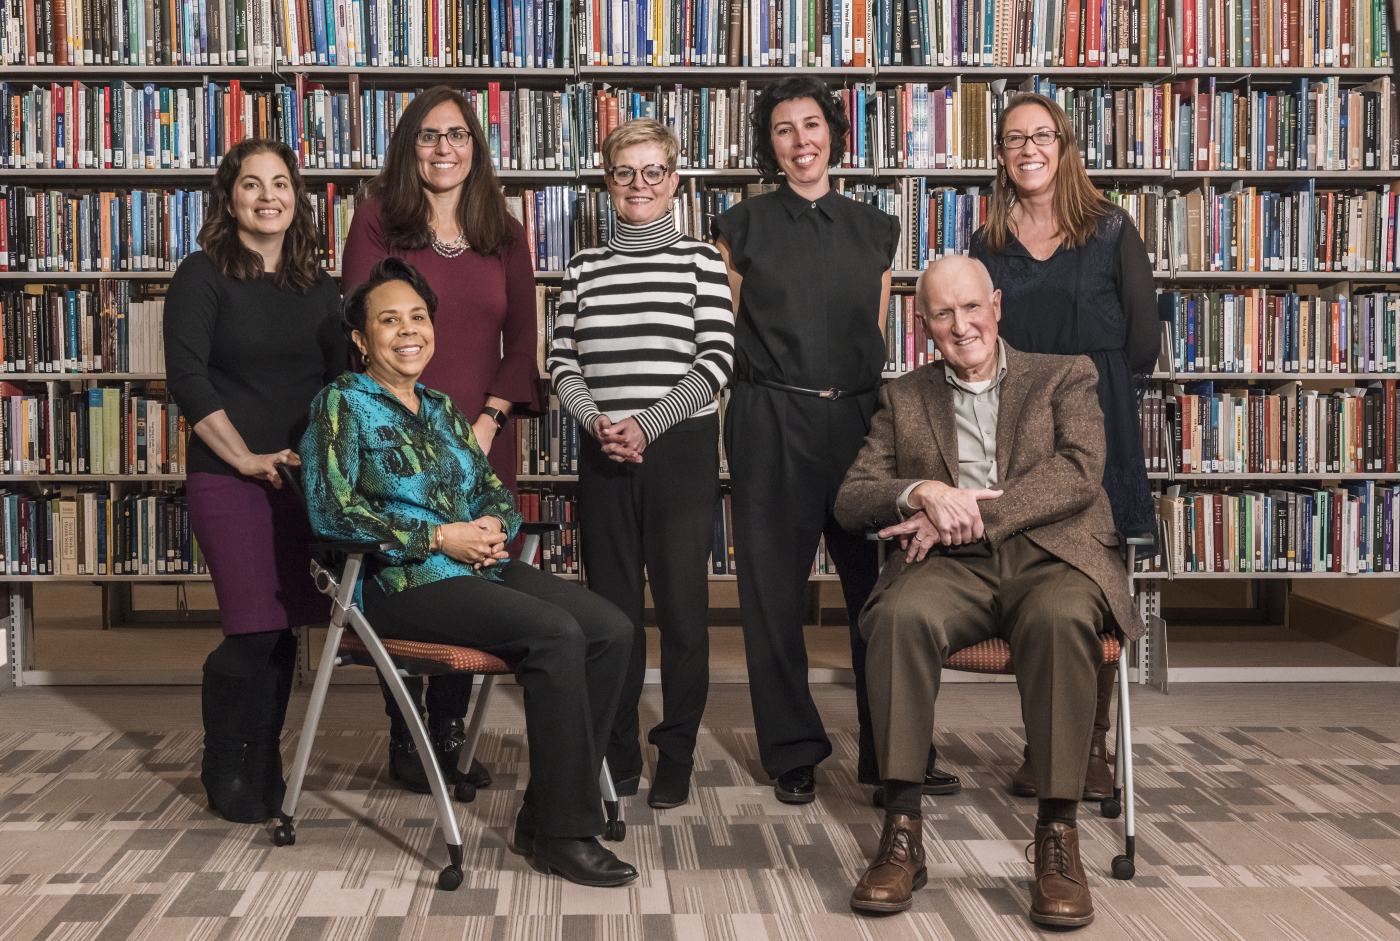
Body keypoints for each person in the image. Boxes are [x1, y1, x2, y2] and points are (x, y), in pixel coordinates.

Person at [301, 257, 636, 887]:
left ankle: (544, 811)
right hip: (397, 584)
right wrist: (437, 535)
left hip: (474, 568)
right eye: (389, 320)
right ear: (360, 338)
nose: (408, 330)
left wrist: (489, 531)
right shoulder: (341, 404)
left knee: (610, 628)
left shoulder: (442, 407)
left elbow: (494, 493)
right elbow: (332, 511)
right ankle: (567, 832)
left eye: (418, 317)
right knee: (555, 634)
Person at [834, 254, 1145, 925]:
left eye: (971, 307)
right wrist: (921, 491)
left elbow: (1079, 472)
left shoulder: (1064, 375)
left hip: (1051, 554)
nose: (961, 324)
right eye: (942, 313)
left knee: (1065, 621)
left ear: (996, 305)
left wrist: (968, 508)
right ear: (922, 324)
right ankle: (903, 829)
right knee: (897, 615)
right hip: (949, 566)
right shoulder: (904, 395)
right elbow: (853, 497)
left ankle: (1058, 837)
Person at [711, 75, 958, 805]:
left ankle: (895, 750)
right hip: (768, 419)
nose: (800, 140)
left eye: (811, 124)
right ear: (772, 146)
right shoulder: (740, 227)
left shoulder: (876, 228)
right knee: (771, 594)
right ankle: (792, 748)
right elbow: (727, 331)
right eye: (784, 129)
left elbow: (872, 334)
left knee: (882, 593)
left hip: (859, 423)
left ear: (834, 134)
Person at [341, 85, 541, 798]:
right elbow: (363, 324)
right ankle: (407, 732)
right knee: (406, 567)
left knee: (473, 570)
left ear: (475, 147)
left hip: (482, 437)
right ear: (409, 147)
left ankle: (450, 731)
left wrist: (484, 424)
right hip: (396, 437)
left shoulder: (507, 232)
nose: (444, 148)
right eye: (428, 136)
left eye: (457, 135)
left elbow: (523, 338)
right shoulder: (376, 223)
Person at [969, 92, 1158, 804]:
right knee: (1034, 572)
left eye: (1041, 135)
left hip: (1099, 421)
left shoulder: (1110, 229)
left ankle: (1091, 744)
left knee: (1094, 574)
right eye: (1014, 138)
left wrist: (1086, 391)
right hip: (1015, 429)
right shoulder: (988, 240)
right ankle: (1043, 740)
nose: (1028, 149)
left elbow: (1142, 340)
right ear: (1000, 153)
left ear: (1065, 144)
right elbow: (974, 339)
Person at [547, 119, 735, 809]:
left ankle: (677, 751)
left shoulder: (700, 262)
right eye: (625, 172)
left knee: (683, 611)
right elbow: (561, 361)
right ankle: (618, 753)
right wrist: (596, 419)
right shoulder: (584, 267)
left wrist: (647, 424)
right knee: (613, 612)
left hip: (678, 450)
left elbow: (716, 359)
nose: (639, 185)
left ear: (675, 181)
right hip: (603, 453)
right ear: (606, 182)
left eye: (653, 171)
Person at [164, 138, 346, 824]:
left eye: (280, 183)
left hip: (300, 482)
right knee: (250, 627)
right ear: (229, 197)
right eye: (252, 184)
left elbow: (336, 387)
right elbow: (188, 375)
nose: (268, 195)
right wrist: (243, 456)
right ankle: (225, 755)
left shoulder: (319, 285)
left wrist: (320, 465)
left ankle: (263, 758)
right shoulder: (202, 274)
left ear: (297, 198)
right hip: (230, 475)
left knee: (284, 627)